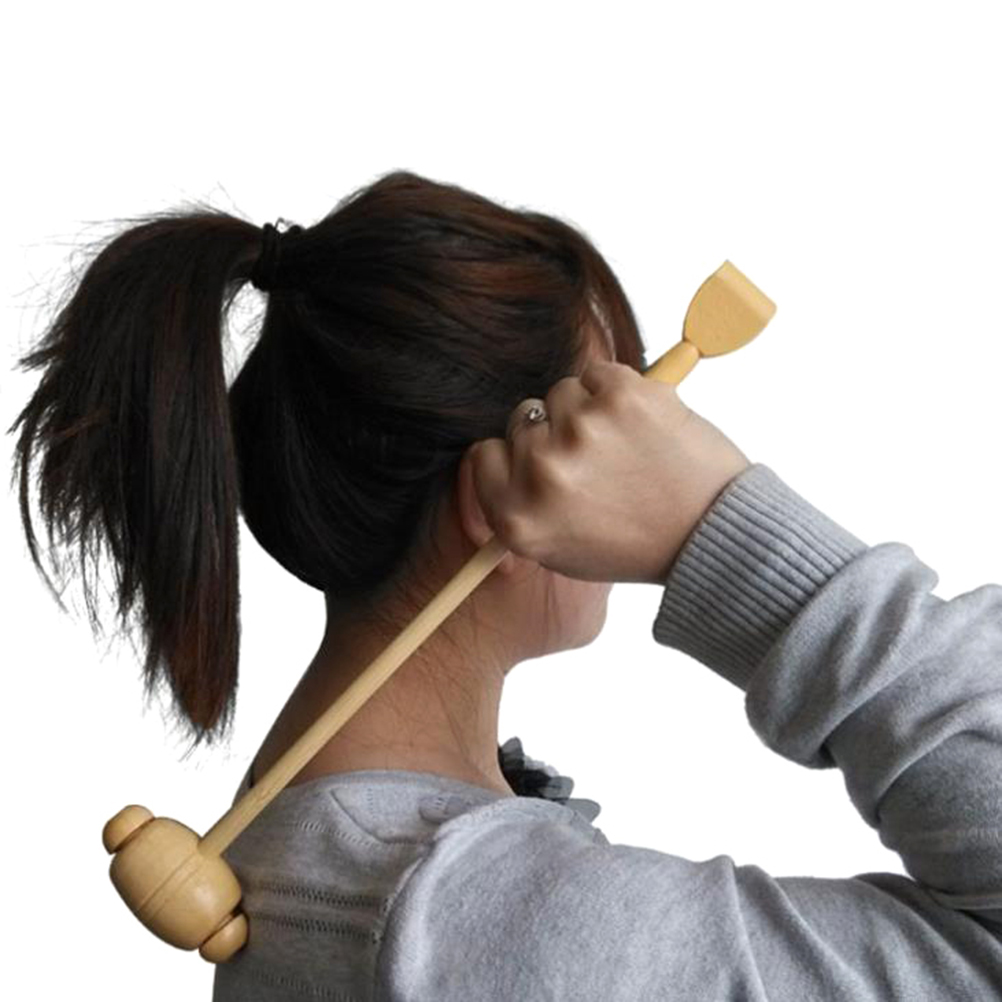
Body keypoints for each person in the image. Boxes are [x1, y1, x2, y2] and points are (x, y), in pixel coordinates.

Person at [9, 170, 1001, 999]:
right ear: (496, 499)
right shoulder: (481, 925)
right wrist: (726, 538)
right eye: (604, 424)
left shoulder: (344, 871)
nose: (647, 453)